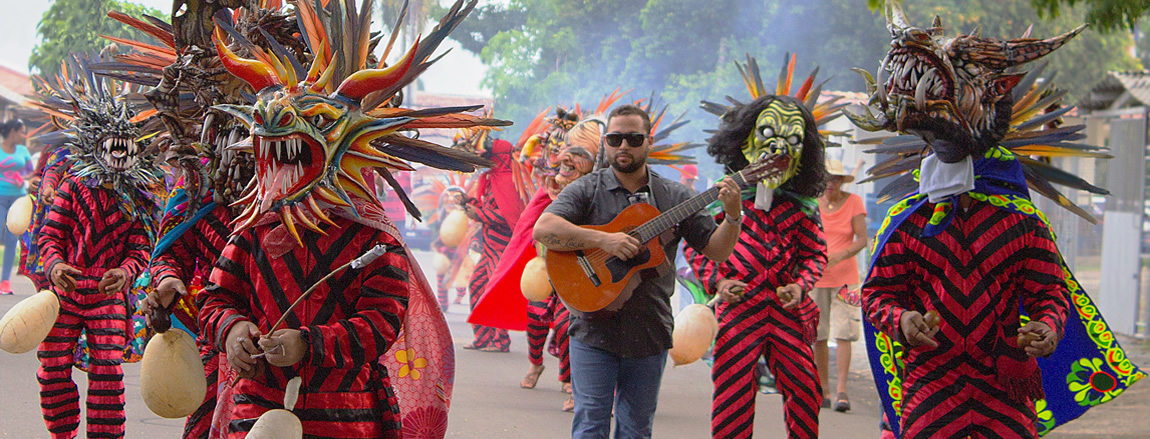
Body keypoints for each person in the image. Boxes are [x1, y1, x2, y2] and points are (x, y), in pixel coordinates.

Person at [534, 104, 742, 438]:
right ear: (606, 143)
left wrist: (732, 217)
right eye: (615, 138)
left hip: (650, 330)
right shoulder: (587, 189)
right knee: (590, 424)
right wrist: (604, 240)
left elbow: (717, 250)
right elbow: (543, 229)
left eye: (633, 138)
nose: (623, 146)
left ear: (649, 140)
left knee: (636, 430)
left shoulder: (674, 196)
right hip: (592, 328)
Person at [812, 158, 867, 412]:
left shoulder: (854, 202)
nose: (830, 184)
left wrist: (841, 255)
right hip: (816, 277)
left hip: (846, 279)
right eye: (827, 179)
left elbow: (862, 239)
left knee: (845, 332)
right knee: (818, 333)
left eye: (835, 179)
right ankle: (823, 389)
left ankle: (842, 391)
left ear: (841, 181)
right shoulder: (813, 204)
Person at [0, 119, 31, 294]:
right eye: (21, 132)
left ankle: (4, 281)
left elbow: (28, 171)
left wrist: (22, 177)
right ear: (13, 131)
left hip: (17, 199)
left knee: (12, 238)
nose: (23, 135)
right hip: (0, 197)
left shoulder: (23, 150)